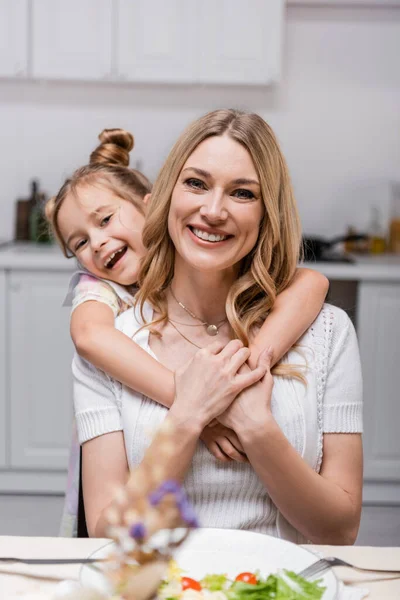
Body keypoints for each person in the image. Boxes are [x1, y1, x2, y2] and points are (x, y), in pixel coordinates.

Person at [73, 110, 363, 542]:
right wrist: (188, 416)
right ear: (165, 196)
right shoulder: (114, 344)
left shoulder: (326, 331)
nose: (213, 210)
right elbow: (108, 539)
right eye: (195, 183)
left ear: (268, 213)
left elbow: (339, 533)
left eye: (243, 193)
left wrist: (256, 427)